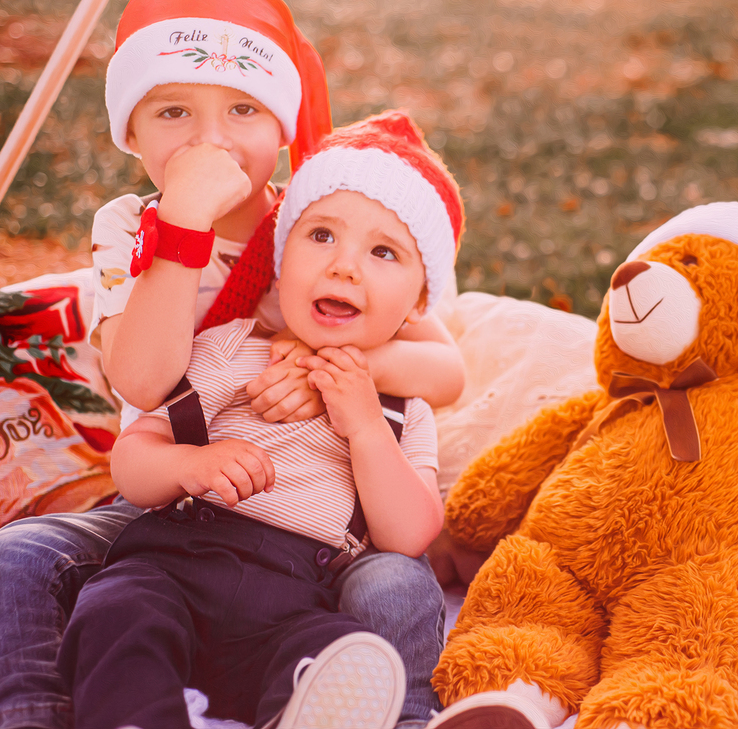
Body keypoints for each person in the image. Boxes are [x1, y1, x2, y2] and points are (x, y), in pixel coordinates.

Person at [0, 0, 461, 729]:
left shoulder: (315, 228)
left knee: (393, 587)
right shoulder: (129, 231)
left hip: (313, 526)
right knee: (15, 558)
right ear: (131, 133)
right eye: (173, 111)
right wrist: (183, 231)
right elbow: (145, 378)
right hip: (178, 498)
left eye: (243, 108)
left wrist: (332, 371)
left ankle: (394, 714)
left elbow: (447, 368)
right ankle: (33, 711)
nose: (210, 140)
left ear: (284, 130)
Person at [57, 109, 460, 729]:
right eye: (320, 236)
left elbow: (408, 537)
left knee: (332, 654)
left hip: (296, 595)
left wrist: (364, 427)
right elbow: (133, 462)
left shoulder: (400, 407)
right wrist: (188, 462)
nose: (344, 266)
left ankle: (305, 715)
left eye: (383, 252)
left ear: (418, 303)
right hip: (177, 559)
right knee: (119, 610)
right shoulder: (231, 347)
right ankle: (140, 716)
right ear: (279, 258)